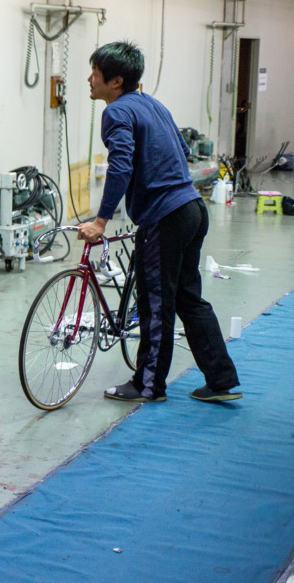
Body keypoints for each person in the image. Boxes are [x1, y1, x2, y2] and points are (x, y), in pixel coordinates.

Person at [78, 40, 241, 404]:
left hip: (166, 218)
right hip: (193, 210)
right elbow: (182, 152)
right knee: (187, 298)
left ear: (116, 82)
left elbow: (121, 166)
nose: (89, 79)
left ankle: (148, 385)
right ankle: (221, 380)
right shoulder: (154, 104)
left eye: (96, 73)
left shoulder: (117, 112)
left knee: (155, 303)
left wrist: (101, 221)